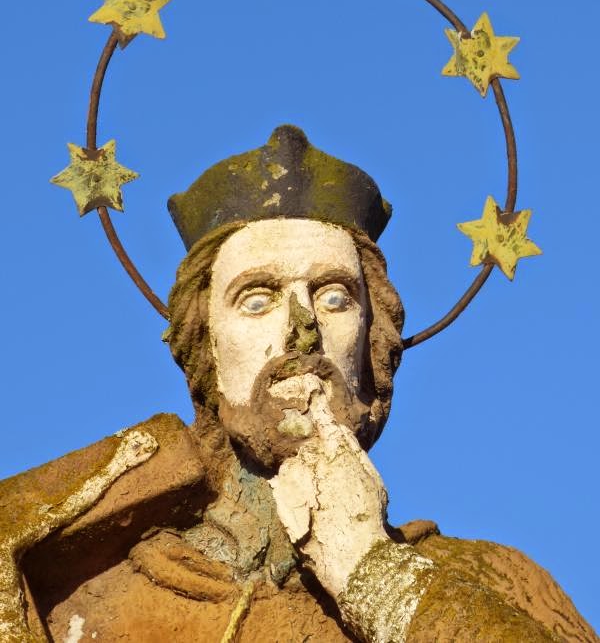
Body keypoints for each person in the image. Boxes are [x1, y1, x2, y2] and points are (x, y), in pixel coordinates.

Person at [0, 126, 595, 642]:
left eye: (334, 297)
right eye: (257, 300)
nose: (301, 328)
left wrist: (376, 577)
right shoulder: (88, 599)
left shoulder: (498, 584)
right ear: (206, 346)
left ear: (372, 342)